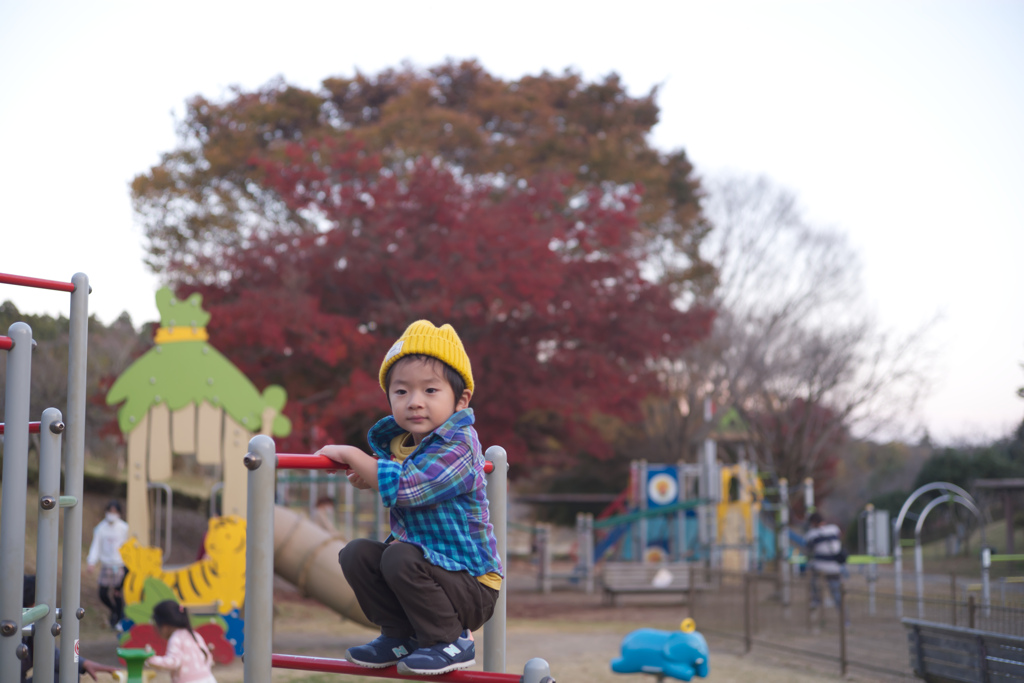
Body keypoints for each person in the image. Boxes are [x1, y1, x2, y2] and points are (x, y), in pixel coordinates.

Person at [317, 320, 502, 676]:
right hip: (427, 575)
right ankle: (400, 636)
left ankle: (452, 642)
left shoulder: (460, 444)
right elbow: (399, 479)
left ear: (460, 399)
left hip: (472, 584)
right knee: (358, 554)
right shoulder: (404, 446)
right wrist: (369, 476)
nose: (415, 402)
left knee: (401, 555)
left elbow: (411, 487)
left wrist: (355, 456)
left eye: (430, 391)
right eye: (401, 392)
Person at [21, 574, 120, 682]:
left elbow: (51, 655)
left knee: (68, 675)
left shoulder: (34, 627)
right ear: (34, 604)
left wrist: (85, 664)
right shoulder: (13, 627)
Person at [145, 600, 217, 683]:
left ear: (164, 625)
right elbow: (207, 657)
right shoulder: (194, 634)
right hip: (208, 679)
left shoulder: (176, 638)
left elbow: (173, 662)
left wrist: (150, 659)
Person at [86, 500, 130, 629]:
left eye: (115, 512)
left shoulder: (124, 528)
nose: (112, 514)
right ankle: (115, 612)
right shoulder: (101, 528)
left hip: (120, 565)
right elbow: (96, 546)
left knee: (117, 593)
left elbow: (128, 547)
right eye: (110, 511)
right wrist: (91, 561)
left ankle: (118, 618)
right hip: (106, 565)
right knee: (103, 593)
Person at [804, 512, 846, 613]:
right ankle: (844, 619)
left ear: (813, 522)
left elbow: (808, 548)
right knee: (836, 593)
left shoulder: (812, 534)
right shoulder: (834, 529)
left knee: (812, 578)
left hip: (820, 567)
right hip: (835, 567)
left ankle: (815, 599)